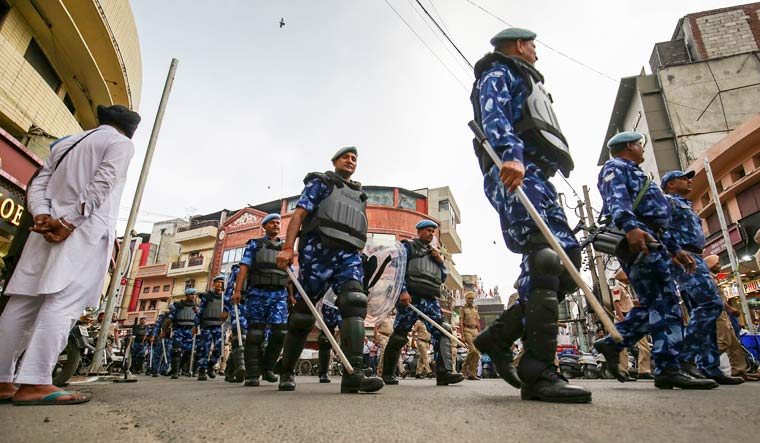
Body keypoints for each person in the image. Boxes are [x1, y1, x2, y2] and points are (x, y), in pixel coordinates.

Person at [469, 27, 590, 403]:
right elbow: (495, 117)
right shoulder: (499, 73)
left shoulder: (526, 79)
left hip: (535, 173)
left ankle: (501, 336)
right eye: (533, 46)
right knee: (545, 256)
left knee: (564, 261)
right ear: (520, 46)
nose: (537, 53)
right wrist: (510, 154)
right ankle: (538, 371)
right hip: (515, 170)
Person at [0, 104, 140, 405]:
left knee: (22, 304)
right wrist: (68, 221)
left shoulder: (66, 143)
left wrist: (42, 215)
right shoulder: (120, 144)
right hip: (82, 231)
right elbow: (104, 181)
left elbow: (38, 184)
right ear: (130, 130)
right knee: (63, 303)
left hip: (44, 231)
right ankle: (36, 382)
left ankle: (2, 380)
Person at [593, 131, 718, 390]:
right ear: (629, 146)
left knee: (656, 303)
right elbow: (617, 202)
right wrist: (630, 228)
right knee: (665, 303)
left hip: (655, 241)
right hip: (640, 242)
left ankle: (616, 342)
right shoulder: (615, 167)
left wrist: (675, 249)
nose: (642, 149)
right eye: (639, 145)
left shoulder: (639, 174)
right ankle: (668, 368)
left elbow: (660, 223)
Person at [275, 146, 383, 393]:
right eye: (346, 157)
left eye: (354, 158)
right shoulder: (321, 183)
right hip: (318, 252)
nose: (351, 160)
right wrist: (288, 247)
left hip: (347, 256)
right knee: (303, 315)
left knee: (355, 301)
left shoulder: (358, 195)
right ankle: (287, 370)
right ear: (334, 161)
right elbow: (299, 215)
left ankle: (353, 373)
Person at [661, 170, 743, 385]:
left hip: (695, 256)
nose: (689, 181)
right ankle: (685, 357)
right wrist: (674, 252)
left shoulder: (684, 204)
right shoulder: (667, 201)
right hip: (684, 257)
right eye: (684, 178)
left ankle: (709, 367)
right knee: (711, 305)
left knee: (703, 311)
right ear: (670, 183)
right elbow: (661, 229)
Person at [380, 220, 463, 386]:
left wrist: (440, 262)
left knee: (442, 330)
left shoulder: (434, 253)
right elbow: (398, 268)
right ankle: (387, 373)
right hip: (411, 296)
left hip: (430, 299)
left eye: (433, 231)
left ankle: (444, 373)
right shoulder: (407, 247)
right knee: (399, 335)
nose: (431, 233)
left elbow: (442, 277)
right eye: (428, 230)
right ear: (418, 231)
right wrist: (402, 290)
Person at [232, 213, 293, 386]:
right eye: (272, 223)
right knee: (255, 334)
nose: (276, 225)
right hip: (257, 293)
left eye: (278, 223)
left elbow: (289, 275)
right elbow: (244, 267)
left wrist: (290, 296)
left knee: (280, 333)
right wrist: (237, 290)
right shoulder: (255, 245)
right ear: (264, 226)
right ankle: (252, 374)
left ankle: (268, 368)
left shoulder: (285, 248)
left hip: (279, 295)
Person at [705, 255, 758, 382]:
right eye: (717, 264)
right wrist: (730, 309)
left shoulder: (714, 279)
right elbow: (715, 299)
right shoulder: (708, 280)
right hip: (718, 313)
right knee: (724, 342)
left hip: (723, 314)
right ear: (711, 265)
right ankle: (703, 362)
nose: (720, 265)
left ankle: (739, 371)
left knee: (734, 344)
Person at [611, 270, 652, 380]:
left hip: (632, 318)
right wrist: (621, 318)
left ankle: (644, 371)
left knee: (644, 345)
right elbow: (616, 303)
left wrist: (634, 303)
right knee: (622, 347)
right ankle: (623, 372)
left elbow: (625, 302)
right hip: (624, 318)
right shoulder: (617, 288)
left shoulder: (626, 289)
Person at [194, 275, 227, 381]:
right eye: (217, 282)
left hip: (219, 325)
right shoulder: (207, 296)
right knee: (205, 348)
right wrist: (195, 325)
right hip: (206, 325)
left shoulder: (225, 298)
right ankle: (202, 370)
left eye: (222, 282)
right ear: (214, 284)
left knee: (219, 348)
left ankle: (211, 364)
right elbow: (200, 311)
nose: (219, 284)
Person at [166, 288, 198, 379]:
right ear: (187, 295)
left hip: (190, 331)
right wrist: (164, 330)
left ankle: (178, 367)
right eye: (191, 294)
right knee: (176, 350)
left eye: (194, 294)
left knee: (189, 352)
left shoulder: (196, 306)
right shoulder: (179, 305)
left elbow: (199, 318)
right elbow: (170, 318)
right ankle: (175, 371)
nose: (193, 296)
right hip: (179, 330)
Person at [223, 265, 247, 383]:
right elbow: (229, 289)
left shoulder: (259, 268)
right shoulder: (238, 269)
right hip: (238, 305)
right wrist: (226, 309)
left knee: (247, 340)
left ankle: (229, 370)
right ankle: (240, 368)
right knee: (239, 337)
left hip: (253, 306)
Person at [375, 310, 404, 377]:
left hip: (391, 337)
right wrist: (376, 338)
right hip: (383, 336)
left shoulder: (392, 318)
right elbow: (376, 328)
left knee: (396, 352)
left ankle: (402, 371)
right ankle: (380, 370)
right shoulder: (381, 317)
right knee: (384, 353)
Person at [459, 292, 481, 380]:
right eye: (469, 298)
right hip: (467, 329)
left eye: (472, 298)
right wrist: (462, 334)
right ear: (466, 299)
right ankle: (464, 367)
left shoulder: (476, 308)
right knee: (472, 350)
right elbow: (460, 321)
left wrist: (480, 333)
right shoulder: (463, 308)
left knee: (477, 353)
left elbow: (478, 321)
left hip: (475, 330)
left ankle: (472, 374)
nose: (471, 300)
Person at [149, 311, 171, 377]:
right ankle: (155, 370)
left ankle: (164, 370)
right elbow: (156, 327)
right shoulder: (163, 317)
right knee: (158, 354)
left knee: (169, 355)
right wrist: (153, 336)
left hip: (170, 338)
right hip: (161, 338)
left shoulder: (176, 317)